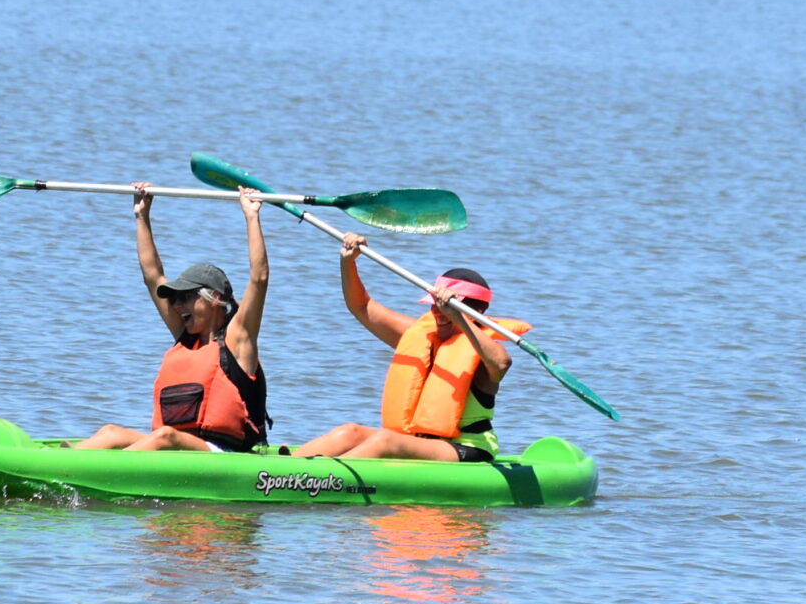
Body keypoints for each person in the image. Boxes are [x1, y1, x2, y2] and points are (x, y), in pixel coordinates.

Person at [294, 236, 527, 462]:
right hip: (418, 442)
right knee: (349, 432)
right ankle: (279, 469)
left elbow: (502, 363)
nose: (438, 312)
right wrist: (348, 262)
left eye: (447, 308)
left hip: (467, 448)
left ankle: (318, 479)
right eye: (435, 305)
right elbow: (361, 306)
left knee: (386, 440)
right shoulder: (420, 335)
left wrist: (458, 317)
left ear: (475, 313)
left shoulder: (485, 354)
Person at [75, 184, 270, 452]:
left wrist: (251, 216)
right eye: (176, 299)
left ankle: (87, 471)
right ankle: (56, 464)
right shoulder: (186, 336)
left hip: (227, 456)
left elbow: (259, 279)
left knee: (165, 436)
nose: (177, 305)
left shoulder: (239, 338)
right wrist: (142, 215)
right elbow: (152, 276)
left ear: (213, 298)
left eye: (186, 297)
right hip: (179, 451)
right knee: (111, 432)